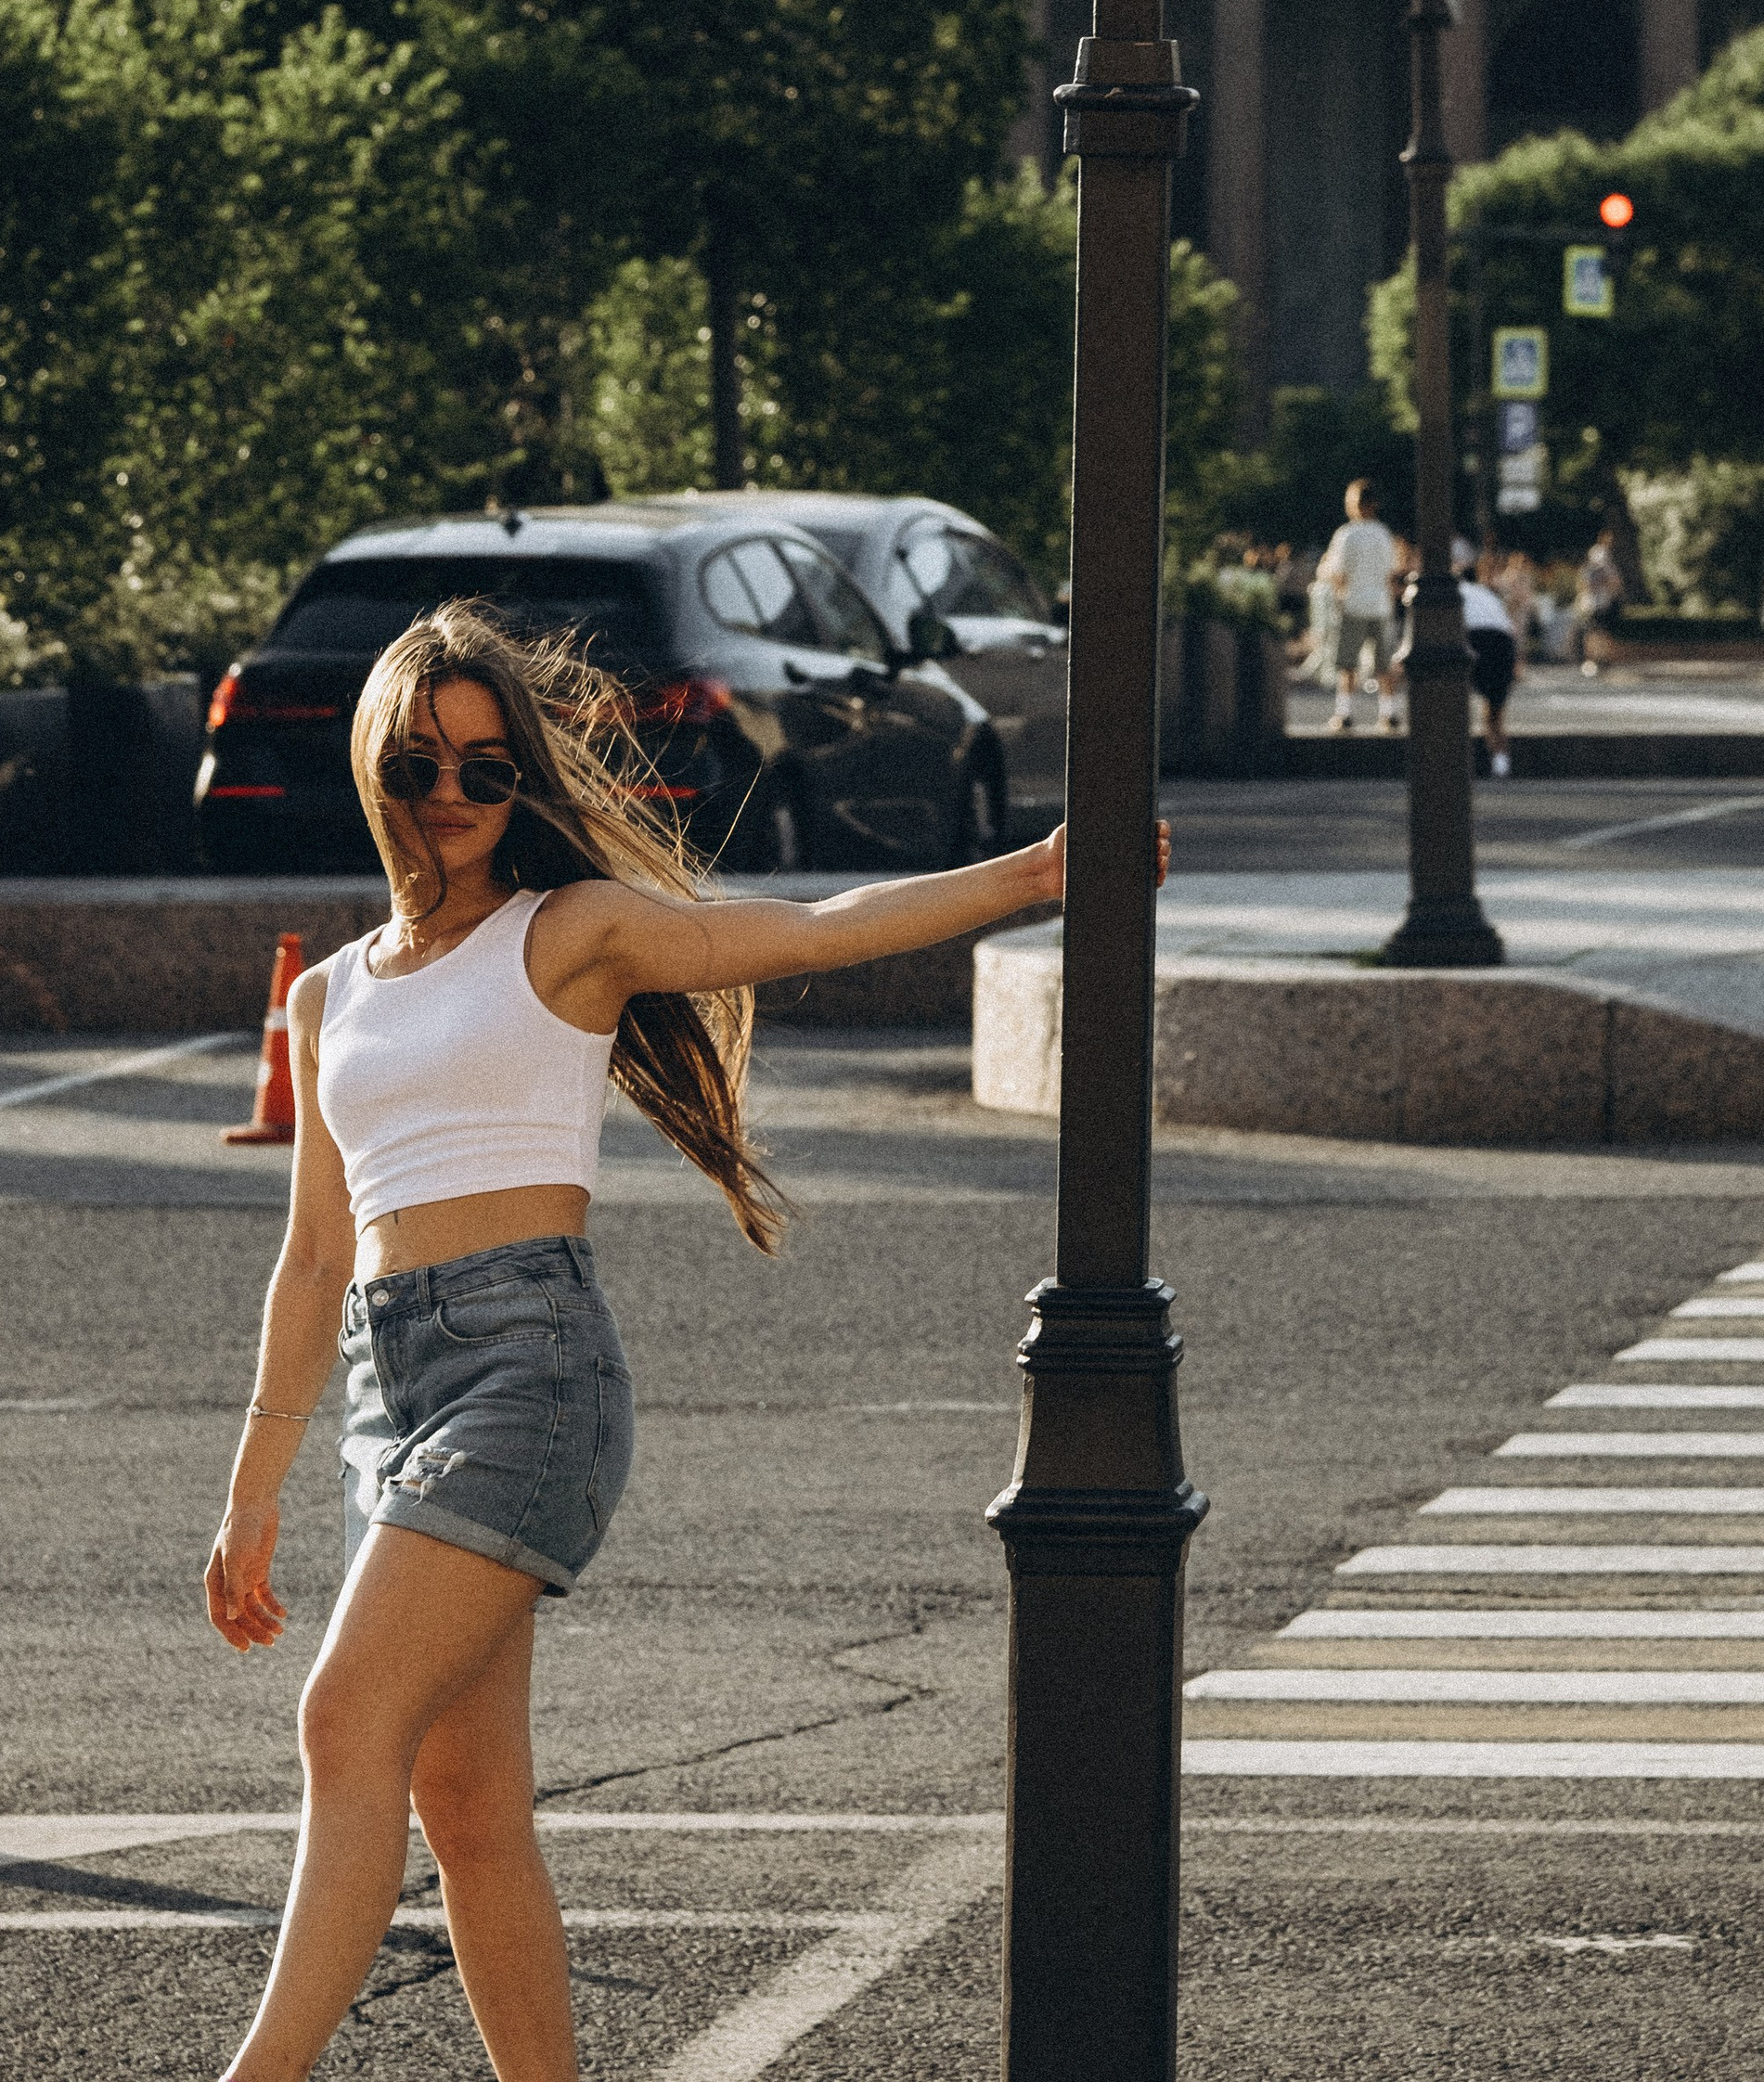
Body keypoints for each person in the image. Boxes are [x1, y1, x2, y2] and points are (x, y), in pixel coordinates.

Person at [201, 598, 1160, 2082]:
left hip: (529, 1370)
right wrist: (254, 1481)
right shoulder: (330, 992)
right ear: (372, 765)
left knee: (344, 1717)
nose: (451, 796)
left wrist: (1032, 876)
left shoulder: (567, 932)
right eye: (420, 764)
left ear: (521, 779)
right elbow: (315, 1252)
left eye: (486, 767)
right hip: (388, 1390)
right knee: (462, 1801)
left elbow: (796, 928)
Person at [1316, 478, 1398, 731]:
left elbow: (1337, 574)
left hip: (1354, 604)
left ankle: (1345, 713)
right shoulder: (1384, 534)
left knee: (1347, 664)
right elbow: (1390, 574)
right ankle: (1388, 713)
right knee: (1384, 664)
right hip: (1381, 605)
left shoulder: (1346, 534)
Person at [1459, 553, 1519, 778]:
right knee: (1494, 714)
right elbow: (1509, 628)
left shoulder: (1454, 593)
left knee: (1453, 705)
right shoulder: (1487, 594)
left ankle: (1455, 763)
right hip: (1503, 643)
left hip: (1473, 638)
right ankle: (1500, 763)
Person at [1574, 529, 1626, 674]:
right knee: (1593, 632)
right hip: (1594, 603)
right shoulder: (1599, 556)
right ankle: (1593, 660)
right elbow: (1587, 583)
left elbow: (1615, 583)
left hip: (1603, 602)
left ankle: (1601, 659)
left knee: (1601, 632)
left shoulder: (1607, 563)